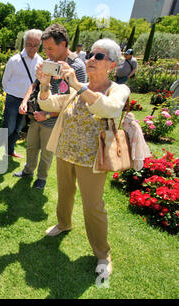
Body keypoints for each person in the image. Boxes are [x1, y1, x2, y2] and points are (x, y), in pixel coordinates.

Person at [37, 38, 130, 278]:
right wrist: (44, 84)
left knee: (92, 206)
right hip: (66, 152)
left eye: (99, 57)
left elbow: (107, 108)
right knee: (65, 193)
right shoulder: (80, 86)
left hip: (92, 158)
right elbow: (48, 102)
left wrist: (78, 85)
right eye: (91, 54)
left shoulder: (118, 89)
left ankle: (102, 253)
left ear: (112, 65)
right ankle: (64, 223)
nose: (91, 59)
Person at [14, 24, 87, 190]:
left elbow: (77, 103)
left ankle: (42, 178)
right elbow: (35, 84)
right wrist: (25, 101)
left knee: (47, 152)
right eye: (44, 49)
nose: (46, 54)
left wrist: (48, 115)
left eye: (50, 49)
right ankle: (28, 171)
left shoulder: (76, 67)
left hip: (54, 120)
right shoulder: (49, 62)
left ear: (63, 45)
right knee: (31, 147)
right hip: (37, 115)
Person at [0, 29, 43, 160]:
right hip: (13, 98)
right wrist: (12, 92)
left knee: (19, 127)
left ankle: (10, 150)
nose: (32, 48)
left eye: (35, 45)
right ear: (24, 44)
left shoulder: (40, 61)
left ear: (39, 45)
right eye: (29, 44)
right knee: (8, 127)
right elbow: (5, 81)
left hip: (28, 100)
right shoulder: (14, 60)